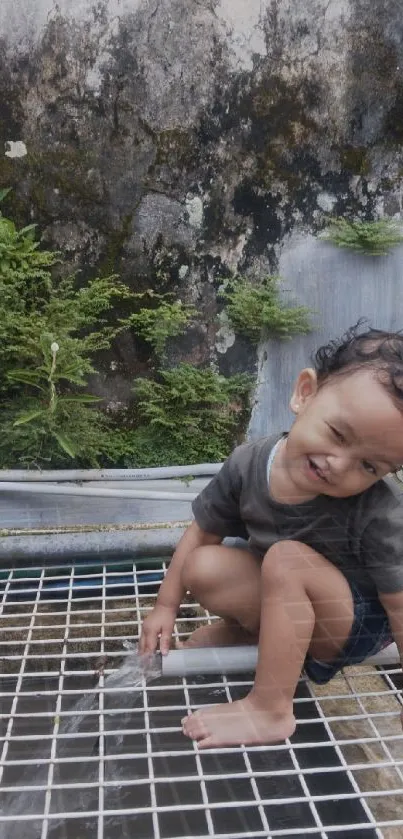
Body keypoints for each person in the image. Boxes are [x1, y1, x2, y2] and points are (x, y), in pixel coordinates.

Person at [139, 322, 403, 749]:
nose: (340, 464)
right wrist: (164, 607)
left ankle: (271, 709)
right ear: (304, 393)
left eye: (370, 467)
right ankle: (257, 636)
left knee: (284, 558)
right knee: (202, 565)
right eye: (337, 434)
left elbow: (398, 605)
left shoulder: (379, 512)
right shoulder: (249, 463)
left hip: (354, 623)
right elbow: (202, 532)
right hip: (293, 594)